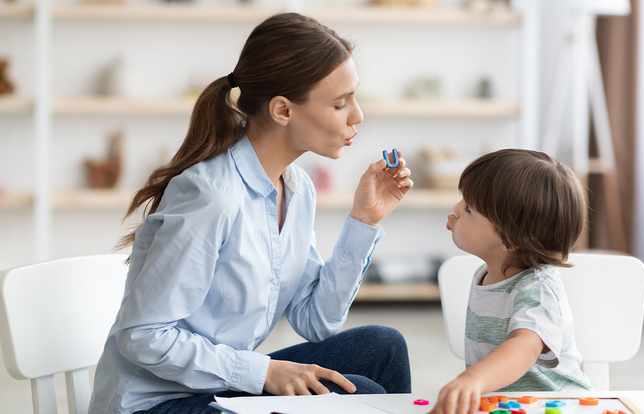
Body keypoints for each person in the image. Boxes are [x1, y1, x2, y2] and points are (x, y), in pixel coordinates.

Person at [89, 12, 413, 414]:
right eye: (339, 103)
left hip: (217, 387)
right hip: (156, 403)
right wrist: (263, 372)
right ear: (282, 110)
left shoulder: (296, 188)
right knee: (359, 394)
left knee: (383, 347)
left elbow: (316, 320)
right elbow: (143, 336)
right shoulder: (210, 195)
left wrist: (364, 220)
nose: (357, 116)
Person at [432, 149, 592, 414]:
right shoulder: (486, 273)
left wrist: (473, 379)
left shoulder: (539, 288)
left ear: (511, 237)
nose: (456, 209)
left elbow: (525, 345)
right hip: (508, 406)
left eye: (468, 208)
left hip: (558, 406)